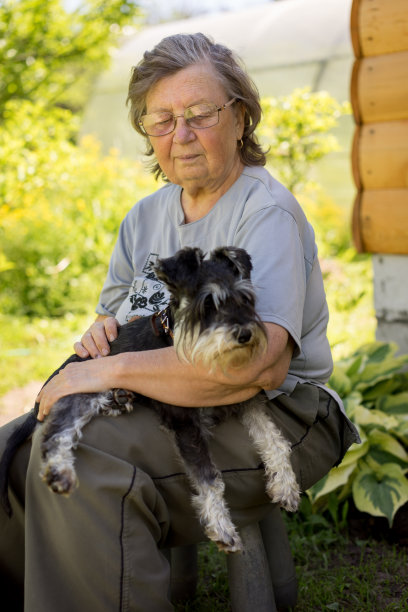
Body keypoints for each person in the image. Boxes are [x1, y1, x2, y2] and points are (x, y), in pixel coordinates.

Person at [0, 33, 359, 611]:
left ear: (240, 118)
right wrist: (99, 341)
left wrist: (100, 374)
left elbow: (260, 366)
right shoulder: (144, 218)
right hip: (162, 403)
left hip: (278, 413)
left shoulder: (263, 214)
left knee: (88, 460)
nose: (181, 135)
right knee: (14, 450)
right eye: (161, 120)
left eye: (199, 114)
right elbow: (115, 316)